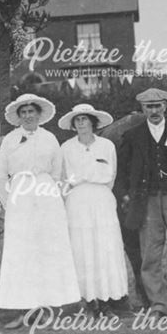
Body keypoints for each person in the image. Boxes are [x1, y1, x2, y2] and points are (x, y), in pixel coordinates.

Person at [0, 93, 81, 328]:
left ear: (38, 114)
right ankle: (21, 308)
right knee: (21, 252)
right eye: (23, 113)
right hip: (20, 197)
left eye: (31, 112)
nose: (28, 116)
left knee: (46, 250)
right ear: (19, 116)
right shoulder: (10, 140)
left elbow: (57, 172)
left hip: (45, 196)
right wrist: (9, 202)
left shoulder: (50, 138)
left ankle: (45, 307)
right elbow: (1, 175)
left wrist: (50, 193)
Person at [114, 88, 167, 317]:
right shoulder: (132, 136)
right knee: (150, 254)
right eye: (149, 107)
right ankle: (158, 304)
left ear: (165, 106)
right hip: (147, 200)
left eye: (158, 105)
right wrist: (124, 195)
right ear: (142, 109)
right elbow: (120, 171)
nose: (154, 110)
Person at [58, 103, 128, 316]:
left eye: (85, 119)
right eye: (77, 120)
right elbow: (62, 179)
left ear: (92, 122)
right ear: (73, 124)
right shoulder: (66, 148)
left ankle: (107, 300)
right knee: (82, 249)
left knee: (104, 248)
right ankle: (87, 301)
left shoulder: (107, 146)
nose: (81, 123)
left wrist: (99, 192)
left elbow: (112, 175)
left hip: (102, 200)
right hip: (77, 201)